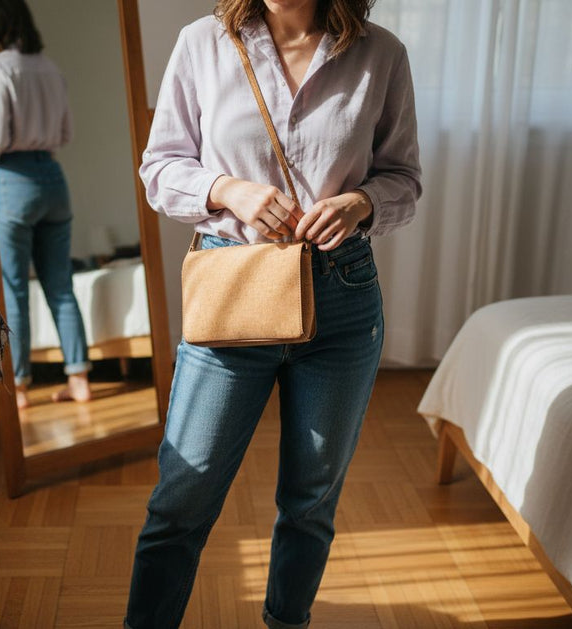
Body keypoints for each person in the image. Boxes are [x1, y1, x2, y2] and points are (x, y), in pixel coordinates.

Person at [125, 0, 421, 627]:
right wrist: (227, 189)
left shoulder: (382, 54)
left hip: (341, 297)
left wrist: (361, 203)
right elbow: (159, 169)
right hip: (233, 290)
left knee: (311, 502)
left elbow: (403, 178)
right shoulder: (203, 43)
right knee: (182, 497)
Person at [0, 0, 91, 408]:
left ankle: (19, 388)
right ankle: (79, 378)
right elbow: (68, 133)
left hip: (14, 179)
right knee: (61, 285)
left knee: (14, 289)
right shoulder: (50, 68)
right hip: (53, 179)